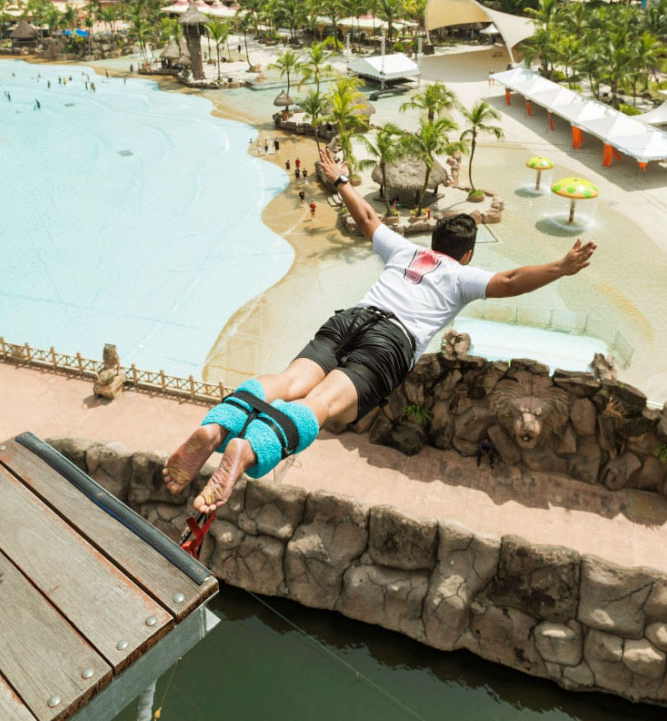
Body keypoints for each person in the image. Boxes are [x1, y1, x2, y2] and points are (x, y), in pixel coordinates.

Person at [163, 146, 596, 514]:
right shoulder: (461, 276)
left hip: (352, 316)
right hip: (390, 341)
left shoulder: (404, 249)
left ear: (433, 242)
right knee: (324, 403)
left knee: (290, 380)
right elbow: (508, 281)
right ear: (466, 255)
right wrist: (560, 267)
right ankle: (249, 450)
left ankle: (218, 428)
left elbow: (368, 216)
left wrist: (341, 180)